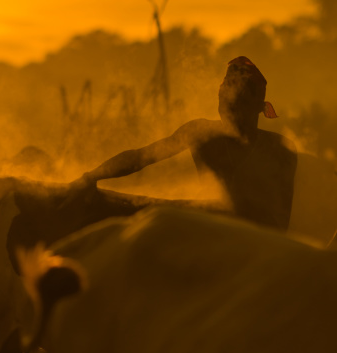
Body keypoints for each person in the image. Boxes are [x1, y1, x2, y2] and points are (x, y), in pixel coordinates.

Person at [70, 56, 297, 231]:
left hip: (256, 241)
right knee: (140, 209)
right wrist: (91, 176)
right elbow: (142, 157)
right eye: (224, 99)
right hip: (208, 227)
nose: (228, 109)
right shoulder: (201, 132)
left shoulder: (279, 148)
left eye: (238, 102)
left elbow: (280, 220)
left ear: (258, 107)